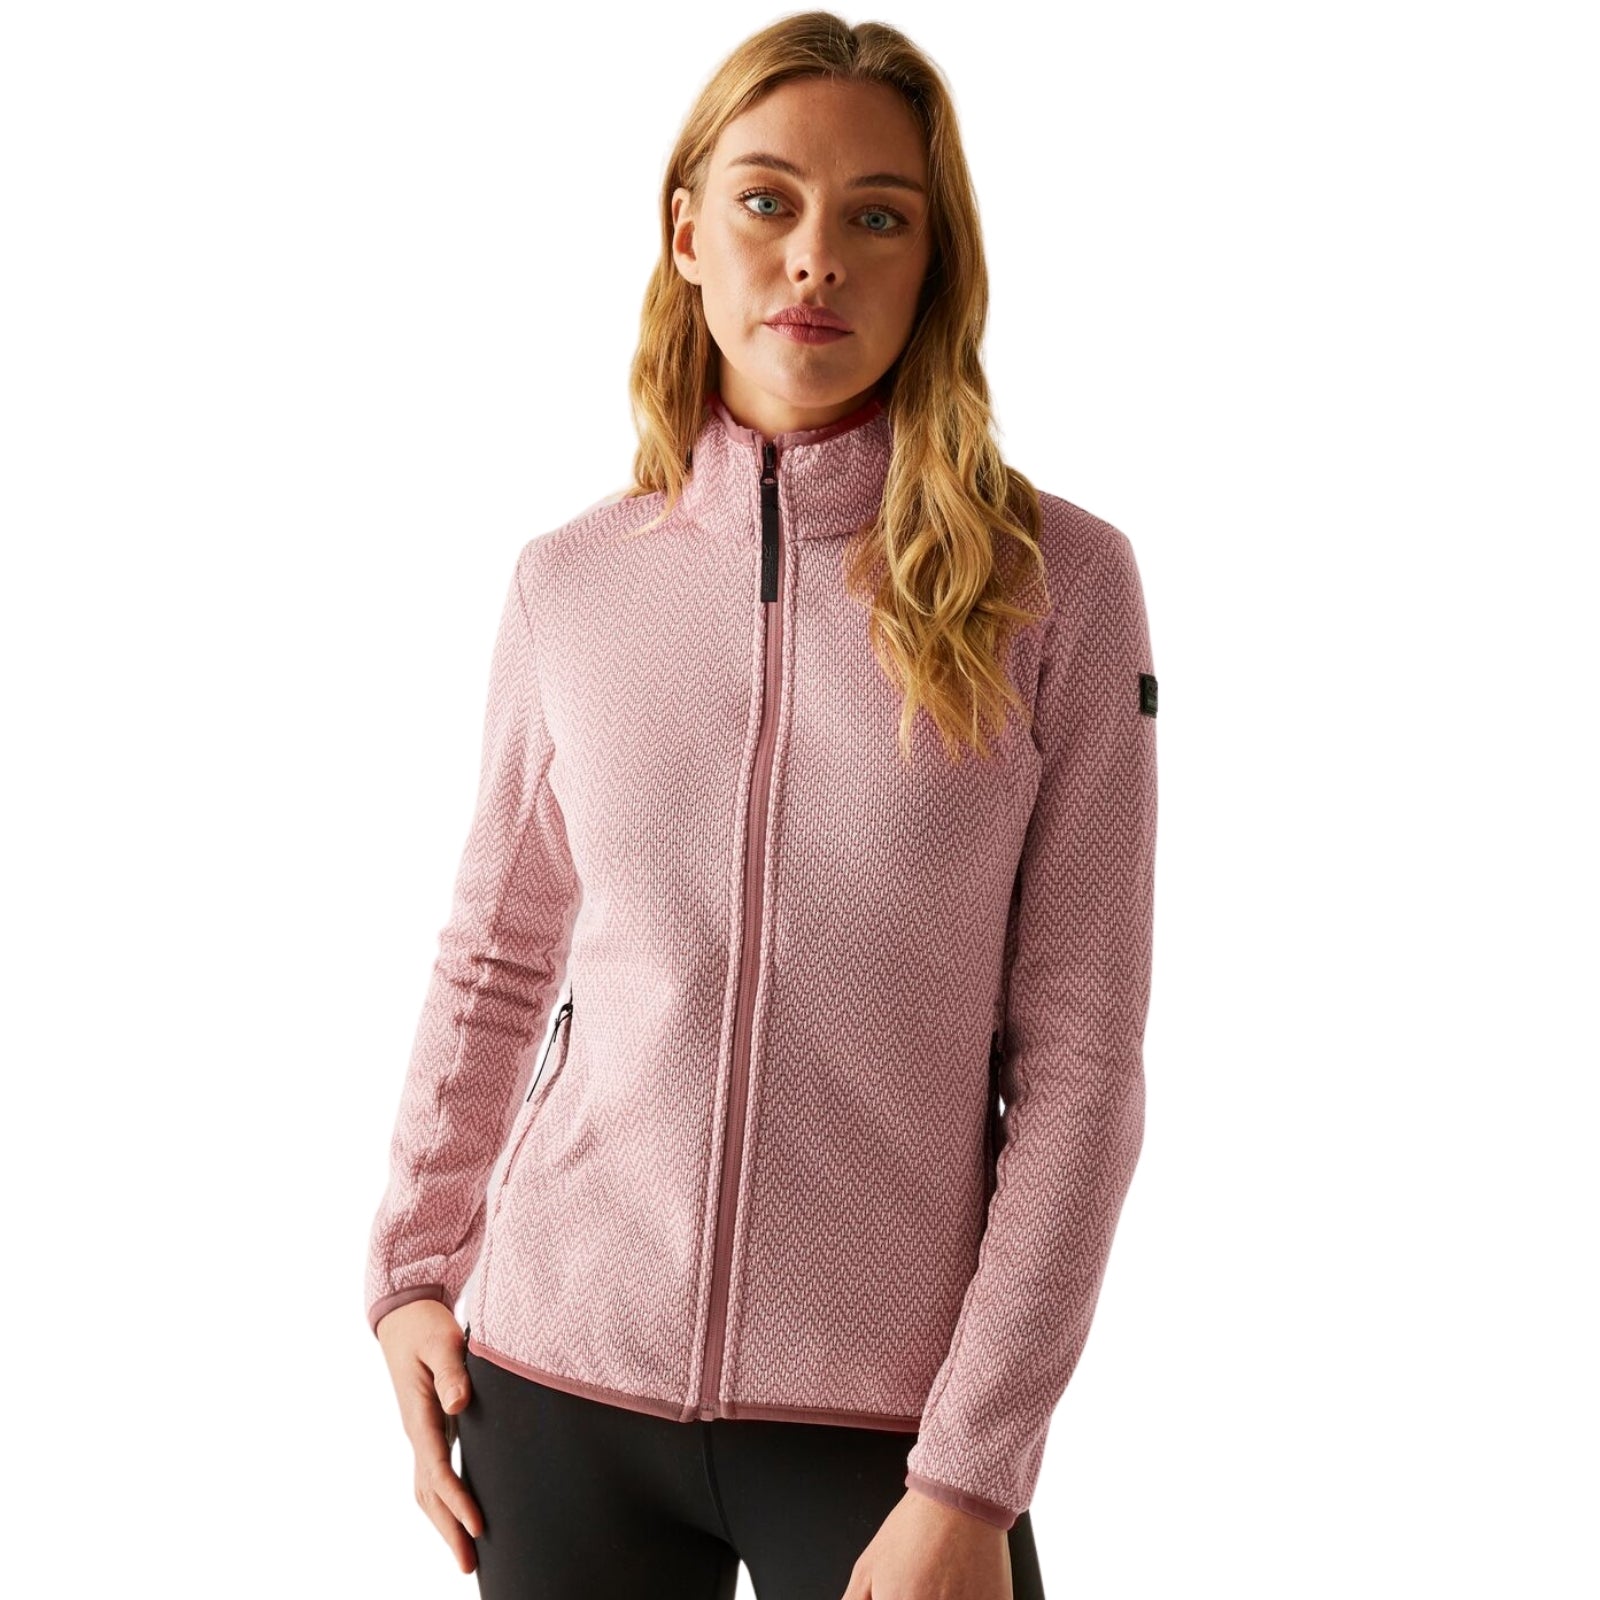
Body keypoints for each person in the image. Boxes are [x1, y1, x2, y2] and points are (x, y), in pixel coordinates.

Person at [364, 14, 1158, 1600]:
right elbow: (497, 960)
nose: (816, 257)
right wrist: (410, 1270)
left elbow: (1081, 1062)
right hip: (556, 1383)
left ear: (934, 264)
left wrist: (975, 1474)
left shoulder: (1059, 587)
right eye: (767, 201)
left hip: (890, 1429)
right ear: (688, 235)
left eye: (879, 215)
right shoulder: (573, 582)